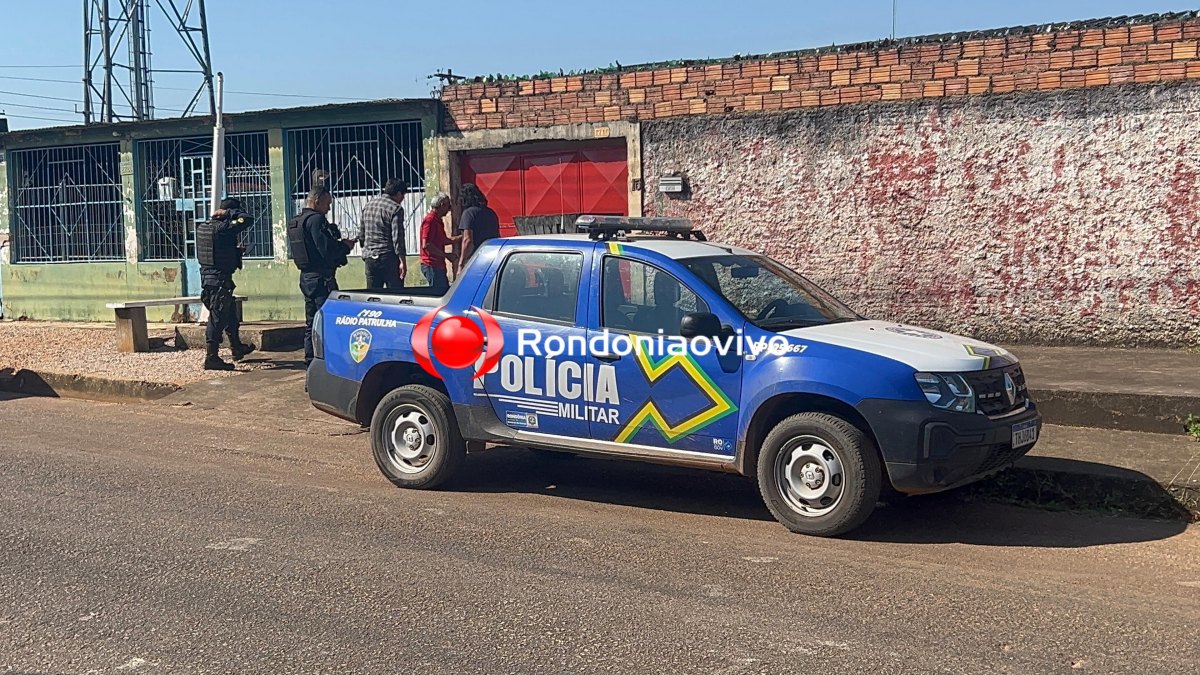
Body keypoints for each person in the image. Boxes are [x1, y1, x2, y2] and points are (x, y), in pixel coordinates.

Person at [289, 185, 355, 366]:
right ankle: (326, 362)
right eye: (327, 204)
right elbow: (326, 250)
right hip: (321, 279)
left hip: (307, 278)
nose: (329, 208)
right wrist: (345, 246)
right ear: (317, 201)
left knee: (311, 322)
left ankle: (311, 361)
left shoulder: (296, 222)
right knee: (327, 321)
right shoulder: (316, 220)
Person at [196, 197, 256, 371]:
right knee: (216, 318)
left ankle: (237, 348)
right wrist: (231, 213)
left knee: (230, 315)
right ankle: (211, 358)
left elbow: (215, 250)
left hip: (209, 278)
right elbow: (248, 219)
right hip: (219, 280)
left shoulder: (204, 228)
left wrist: (234, 251)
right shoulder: (223, 228)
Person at [358, 178, 408, 290]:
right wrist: (402, 262)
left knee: (373, 296)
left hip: (370, 257)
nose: (402, 199)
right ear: (399, 193)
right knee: (395, 297)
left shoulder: (368, 205)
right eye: (403, 195)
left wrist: (366, 248)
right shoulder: (396, 209)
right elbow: (397, 239)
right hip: (388, 258)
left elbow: (362, 233)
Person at [419, 194, 460, 294]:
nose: (449, 209)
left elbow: (442, 240)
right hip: (431, 265)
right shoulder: (430, 220)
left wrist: (460, 238)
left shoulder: (438, 221)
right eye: (448, 206)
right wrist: (446, 255)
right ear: (442, 205)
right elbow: (427, 245)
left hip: (438, 264)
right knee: (438, 293)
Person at [458, 183, 500, 265]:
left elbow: (467, 240)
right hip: (492, 256)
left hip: (475, 258)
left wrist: (461, 263)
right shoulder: (491, 213)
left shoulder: (468, 214)